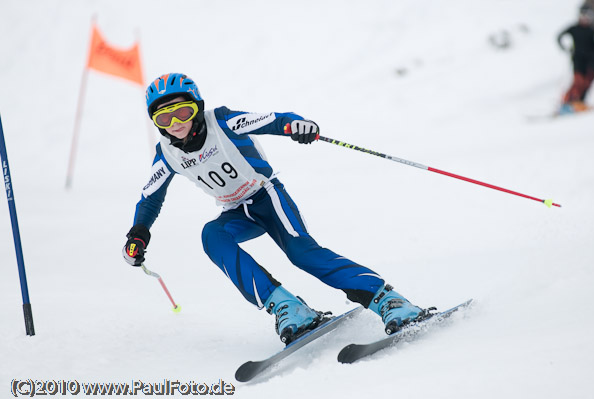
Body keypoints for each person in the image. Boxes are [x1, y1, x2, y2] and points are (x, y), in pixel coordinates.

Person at [123, 73, 427, 344]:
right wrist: (138, 234)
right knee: (211, 235)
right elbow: (150, 197)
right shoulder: (166, 154)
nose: (176, 124)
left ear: (198, 108)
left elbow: (270, 120)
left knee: (301, 253)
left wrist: (296, 124)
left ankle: (389, 300)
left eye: (183, 113)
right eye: (165, 119)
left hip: (267, 196)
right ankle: (288, 307)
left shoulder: (223, 121)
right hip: (237, 212)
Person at [557, 5, 594, 113]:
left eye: (588, 16)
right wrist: (566, 48)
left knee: (587, 82)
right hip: (578, 60)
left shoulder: (593, 30)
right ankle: (567, 102)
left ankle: (580, 102)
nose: (585, 18)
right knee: (578, 81)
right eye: (583, 15)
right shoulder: (574, 29)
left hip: (592, 62)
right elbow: (559, 36)